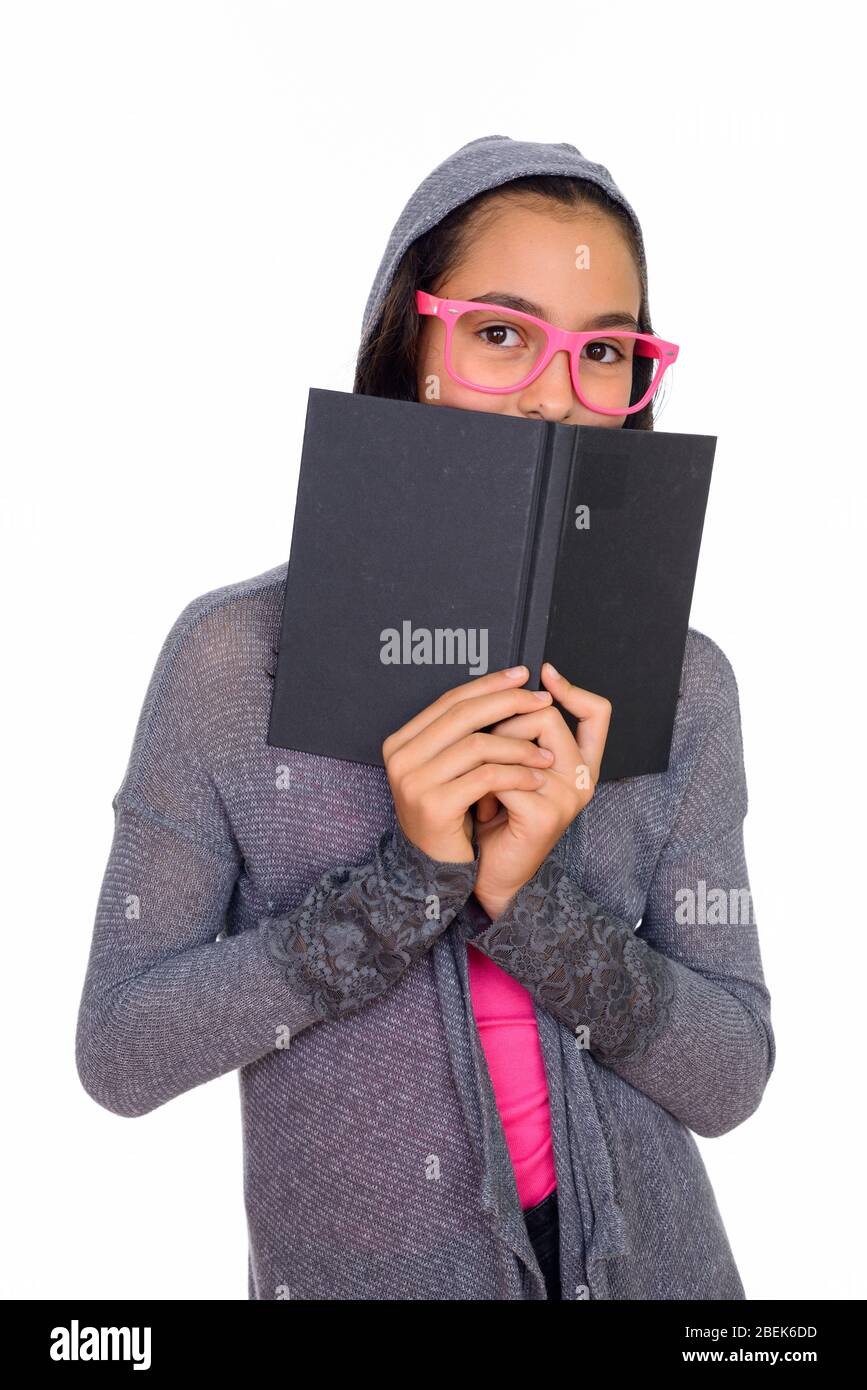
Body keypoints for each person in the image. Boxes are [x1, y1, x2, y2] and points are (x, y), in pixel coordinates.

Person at [75, 135, 775, 1301]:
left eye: (605, 349)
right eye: (503, 333)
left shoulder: (685, 682)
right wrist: (403, 886)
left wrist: (531, 900)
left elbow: (734, 1075)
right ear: (415, 344)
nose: (558, 389)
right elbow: (121, 1050)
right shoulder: (234, 661)